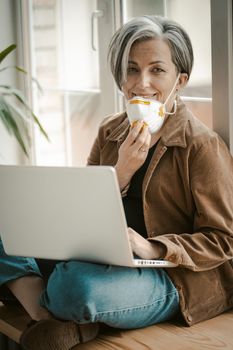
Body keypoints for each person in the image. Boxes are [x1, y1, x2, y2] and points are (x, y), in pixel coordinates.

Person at [0, 15, 233, 350]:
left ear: (180, 80)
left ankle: (59, 307)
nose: (142, 83)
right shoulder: (110, 131)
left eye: (157, 70)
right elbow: (80, 213)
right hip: (98, 259)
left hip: (170, 277)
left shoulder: (201, 145)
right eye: (132, 69)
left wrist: (154, 247)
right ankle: (47, 315)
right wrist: (120, 171)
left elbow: (224, 240)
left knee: (75, 285)